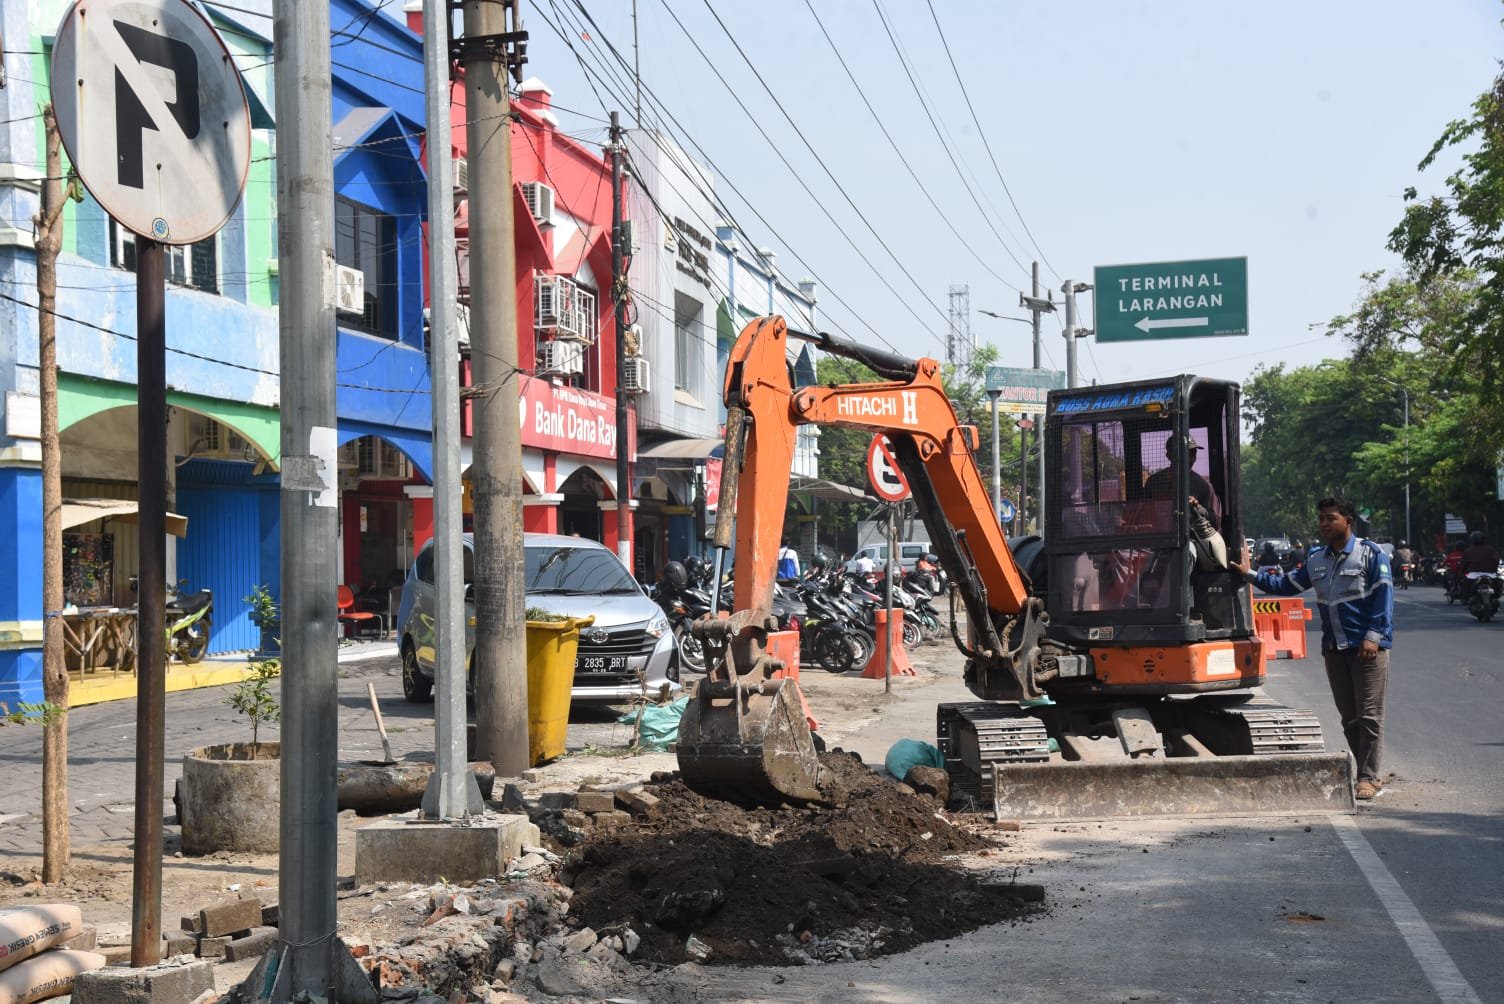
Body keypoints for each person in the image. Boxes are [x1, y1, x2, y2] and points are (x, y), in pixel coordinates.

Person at [1230, 497, 1393, 801]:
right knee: (1350, 718)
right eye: (1321, 519)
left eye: (1330, 518)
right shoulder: (1316, 559)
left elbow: (1383, 598)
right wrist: (1249, 574)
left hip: (1367, 649)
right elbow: (1285, 585)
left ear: (1348, 521)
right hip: (1334, 648)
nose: (1324, 524)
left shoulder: (1370, 554)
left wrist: (1373, 636)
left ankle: (1368, 777)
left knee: (1369, 716)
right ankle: (1364, 769)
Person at [1141, 433, 1222, 524]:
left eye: (1193, 453)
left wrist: (1198, 508)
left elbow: (1215, 521)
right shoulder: (1154, 482)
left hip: (1192, 537)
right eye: (1184, 453)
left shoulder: (1203, 485)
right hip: (1159, 536)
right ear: (1169, 456)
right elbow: (1142, 514)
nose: (1191, 457)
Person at [1459, 531, 1500, 598]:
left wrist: (1462, 571)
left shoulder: (1468, 551)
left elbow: (1463, 564)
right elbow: (1496, 561)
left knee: (1464, 584)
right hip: (1490, 574)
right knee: (1498, 583)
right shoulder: (1491, 549)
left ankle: (1467, 599)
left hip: (1473, 575)